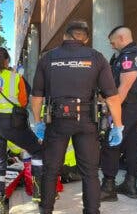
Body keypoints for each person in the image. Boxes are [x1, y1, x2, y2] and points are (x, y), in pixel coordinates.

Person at [31, 20, 123, 214]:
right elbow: (112, 97)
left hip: (56, 121)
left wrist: (38, 121)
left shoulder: (48, 58)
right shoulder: (96, 58)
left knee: (50, 170)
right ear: (86, 39)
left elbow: (37, 97)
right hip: (86, 121)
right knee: (90, 173)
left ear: (65, 35)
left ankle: (46, 210)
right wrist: (118, 126)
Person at [0, 47, 43, 214]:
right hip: (13, 123)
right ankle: (38, 191)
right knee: (37, 150)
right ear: (6, 61)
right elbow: (23, 101)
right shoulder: (15, 77)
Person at [100, 26, 137, 201]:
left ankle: (108, 187)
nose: (112, 46)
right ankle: (130, 185)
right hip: (132, 106)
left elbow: (124, 88)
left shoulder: (129, 56)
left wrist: (112, 111)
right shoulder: (127, 55)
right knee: (131, 144)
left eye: (113, 42)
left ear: (121, 37)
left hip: (126, 106)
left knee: (111, 142)